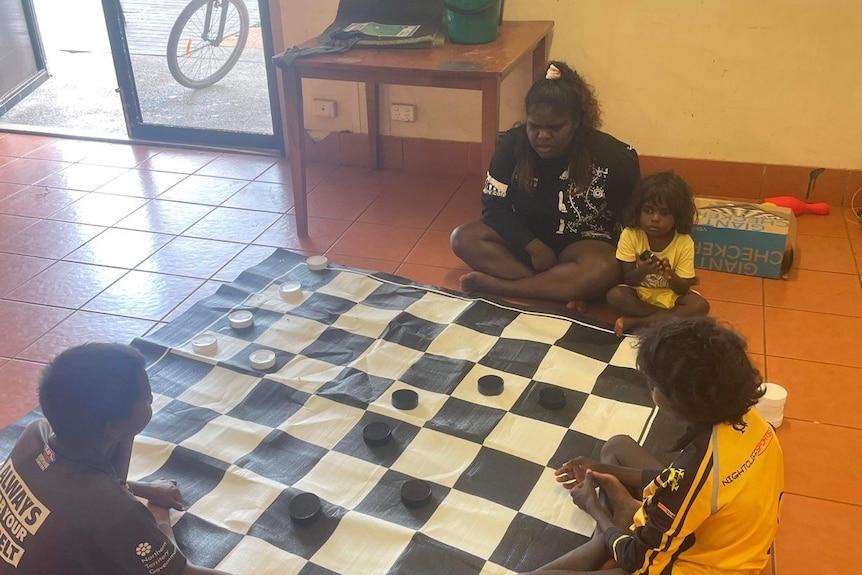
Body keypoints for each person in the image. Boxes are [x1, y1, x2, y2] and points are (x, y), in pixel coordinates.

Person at [522, 317, 784, 575]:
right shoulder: (751, 420)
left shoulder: (697, 471)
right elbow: (686, 486)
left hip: (701, 565)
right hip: (721, 536)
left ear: (677, 398)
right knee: (617, 447)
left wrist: (594, 507)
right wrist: (602, 470)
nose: (650, 389)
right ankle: (619, 523)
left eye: (653, 383)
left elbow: (637, 560)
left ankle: (606, 537)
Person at [0, 343, 231, 575]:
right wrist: (160, 525)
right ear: (112, 427)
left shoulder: (36, 433)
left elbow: (75, 487)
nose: (151, 398)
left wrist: (144, 490)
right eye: (147, 401)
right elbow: (179, 574)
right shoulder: (113, 510)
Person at [451, 61, 640, 306]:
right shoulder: (511, 145)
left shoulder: (615, 157)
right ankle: (563, 288)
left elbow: (631, 219)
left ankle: (506, 287)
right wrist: (532, 245)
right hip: (528, 239)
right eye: (534, 126)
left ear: (576, 122)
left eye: (554, 127)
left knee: (603, 267)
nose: (542, 136)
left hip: (584, 244)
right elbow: (493, 207)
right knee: (463, 238)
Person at [605, 170, 709, 336]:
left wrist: (670, 275)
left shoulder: (683, 241)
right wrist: (643, 270)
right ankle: (667, 320)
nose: (655, 218)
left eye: (664, 213)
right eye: (648, 210)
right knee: (615, 295)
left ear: (678, 216)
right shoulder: (631, 234)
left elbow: (683, 289)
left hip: (671, 297)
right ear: (638, 211)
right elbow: (628, 279)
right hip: (639, 295)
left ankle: (639, 322)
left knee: (699, 306)